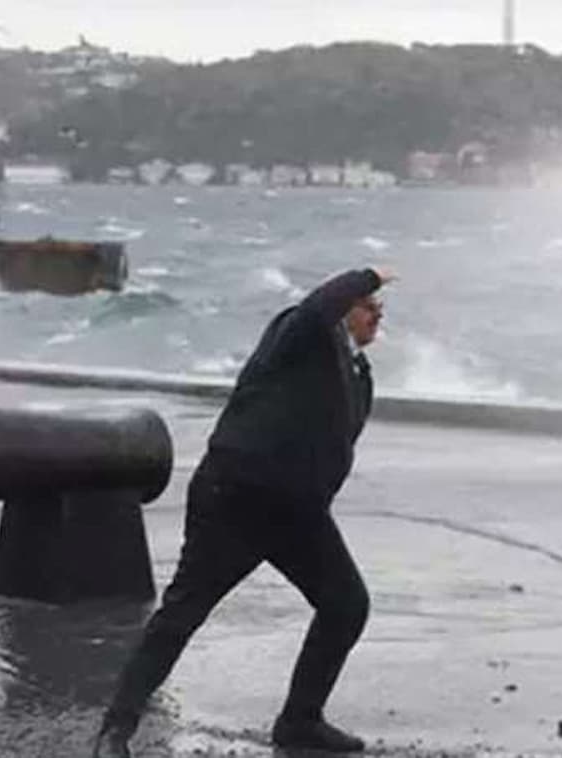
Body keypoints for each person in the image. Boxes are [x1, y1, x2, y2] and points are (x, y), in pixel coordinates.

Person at [93, 267, 392, 757]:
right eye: (367, 303)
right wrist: (367, 274)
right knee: (182, 614)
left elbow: (335, 443)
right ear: (341, 310)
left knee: (346, 605)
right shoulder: (299, 333)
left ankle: (299, 720)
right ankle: (114, 731)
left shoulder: (359, 374)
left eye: (380, 306)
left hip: (296, 514)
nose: (377, 312)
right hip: (234, 500)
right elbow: (318, 307)